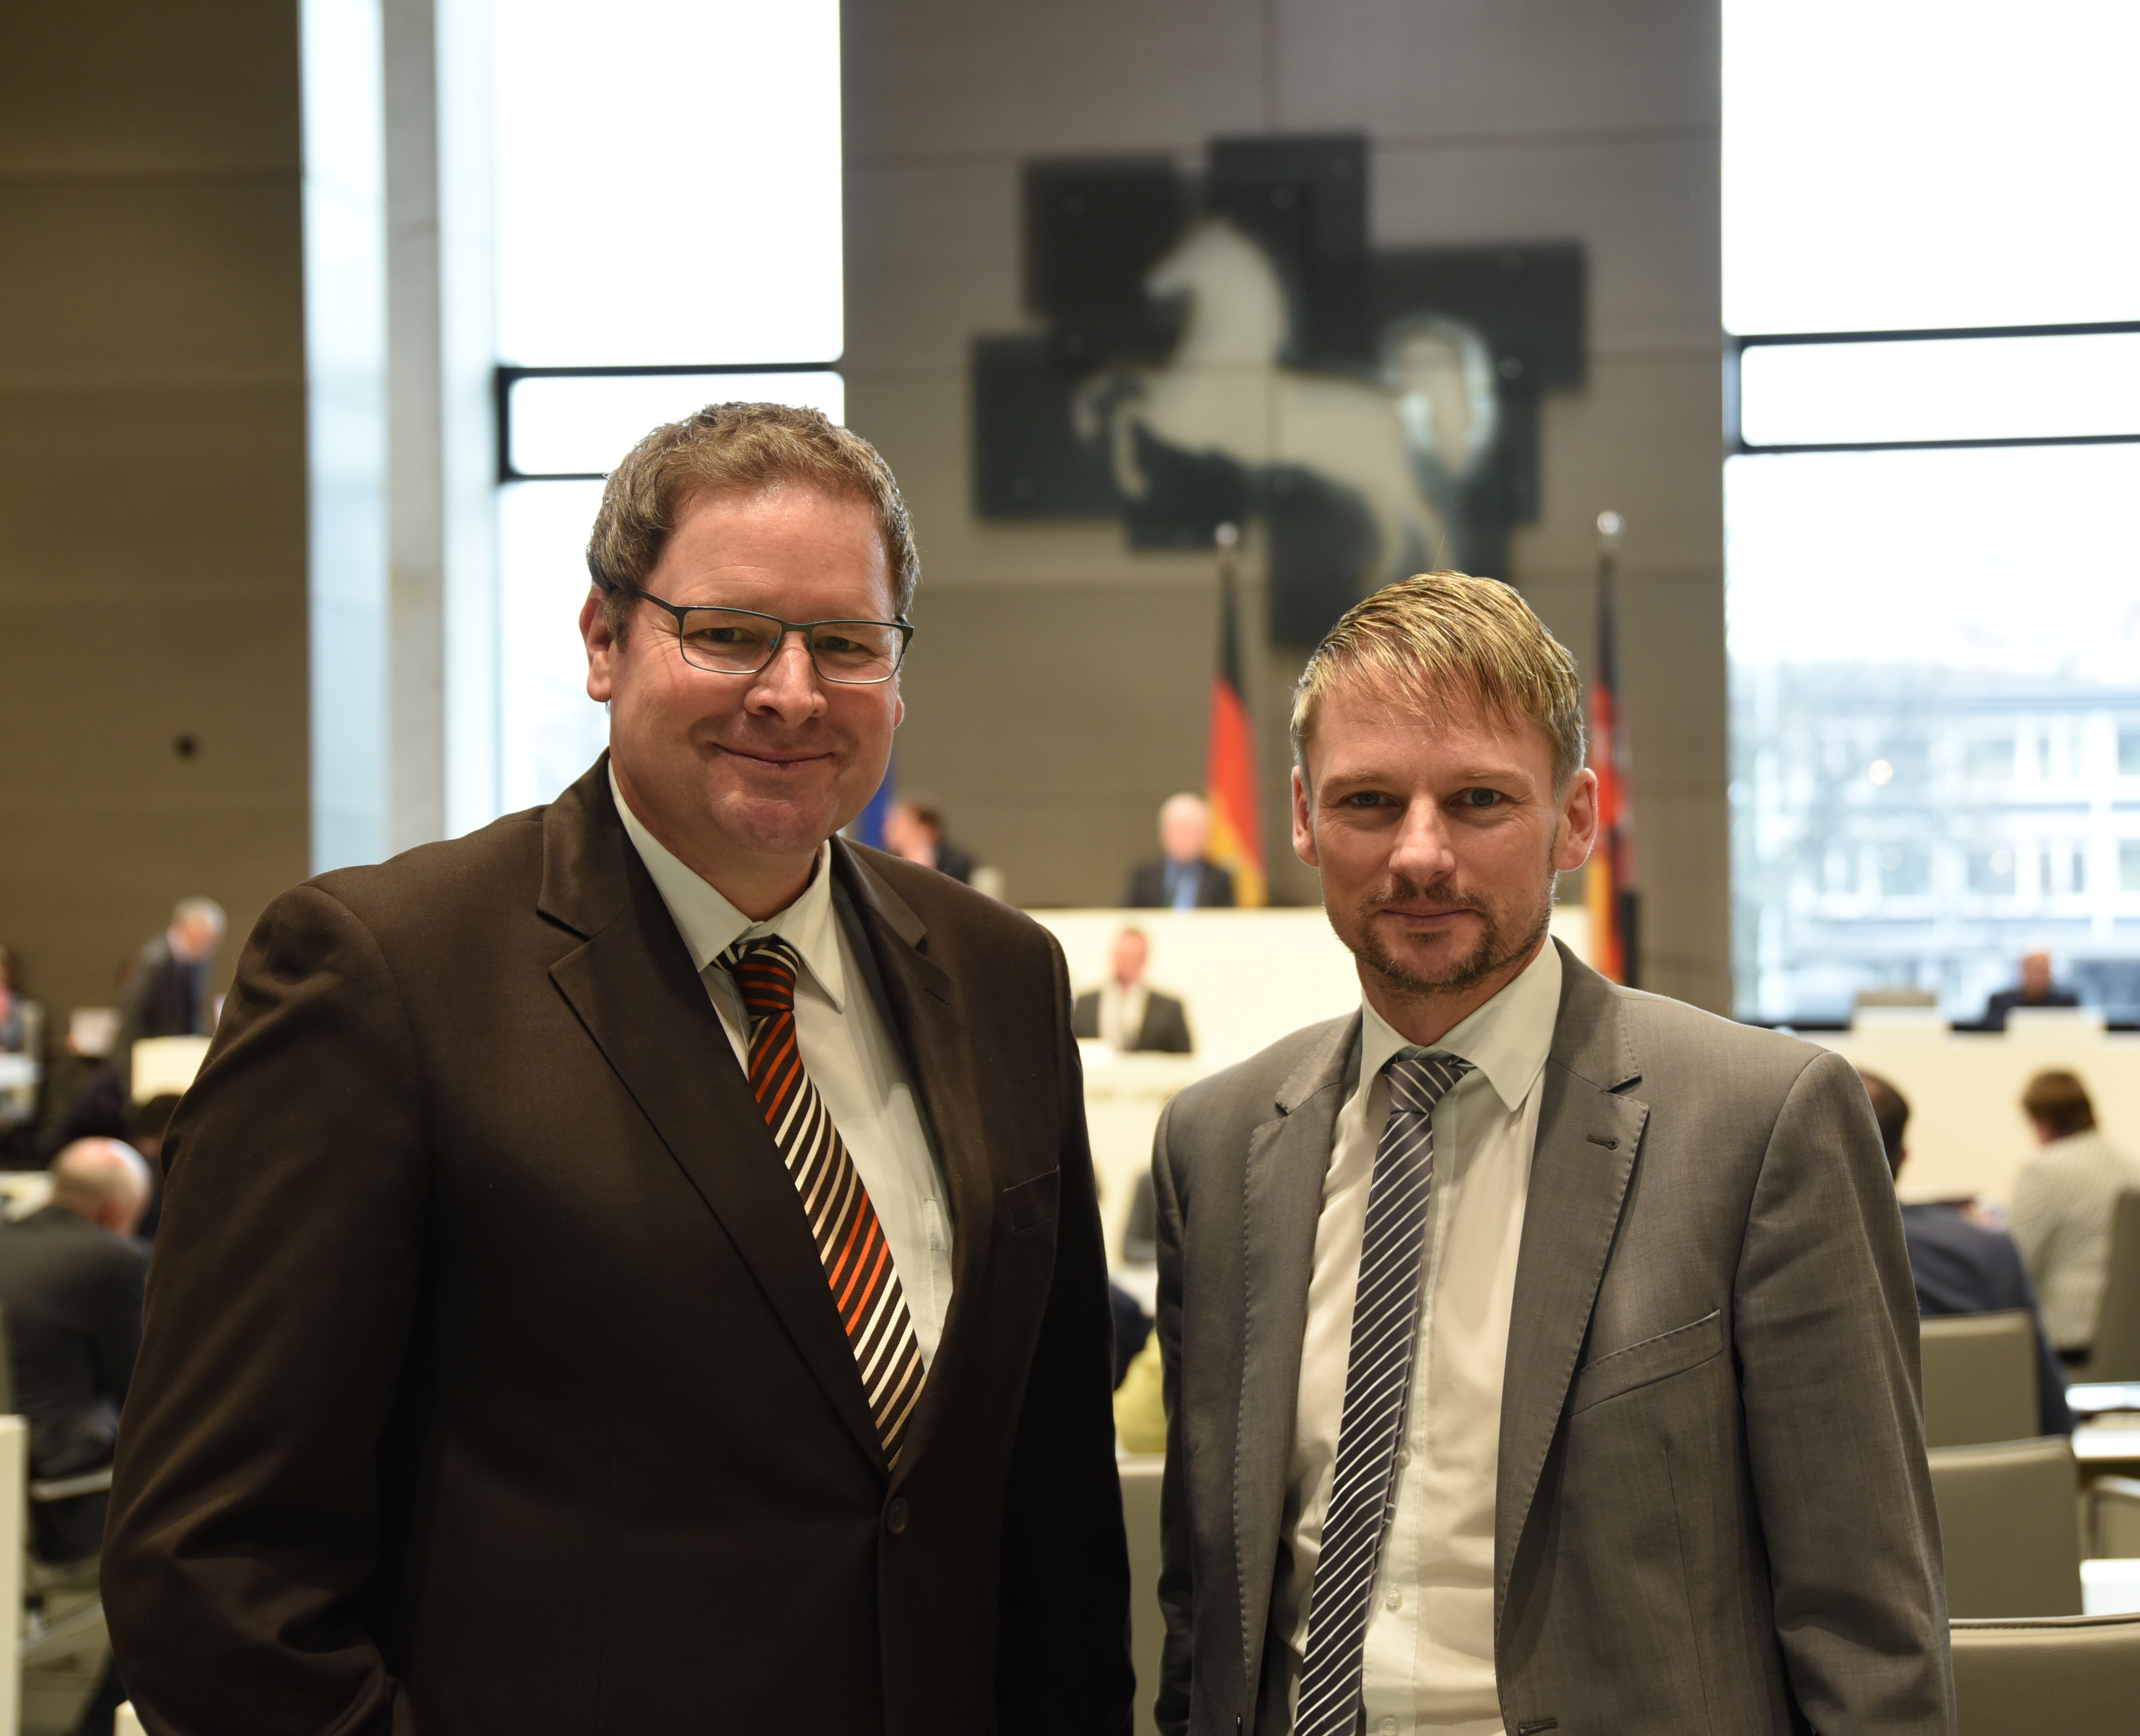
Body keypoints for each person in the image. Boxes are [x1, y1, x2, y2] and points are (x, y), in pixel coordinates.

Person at [104, 403, 1132, 1734]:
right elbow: (209, 1566)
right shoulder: (386, 975)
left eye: (845, 642)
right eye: (730, 632)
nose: (792, 692)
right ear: (604, 639)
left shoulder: (1000, 977)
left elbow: (1052, 1521)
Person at [1151, 573, 1948, 1735]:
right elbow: (1202, 1602)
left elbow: (1866, 1629)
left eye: (1478, 798)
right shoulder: (1216, 1144)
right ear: (1304, 817)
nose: (1419, 854)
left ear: (1575, 818)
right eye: (1369, 800)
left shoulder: (1761, 1125)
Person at [1861, 1070, 2071, 1435]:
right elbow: (2052, 1414)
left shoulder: (1789, 1263)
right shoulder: (1990, 1250)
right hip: (1995, 1468)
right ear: (1904, 1156)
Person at [0, 1140, 153, 1564]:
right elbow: (140, 1390)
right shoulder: (115, 1261)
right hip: (65, 1497)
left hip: (12, 1471)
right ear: (117, 1212)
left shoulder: (6, 1239)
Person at [2008, 1068, 2140, 1360]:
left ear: (2040, 1119)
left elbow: (2015, 1261)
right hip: (2128, 1341)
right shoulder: (2130, 1168)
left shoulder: (2045, 1170)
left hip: (2066, 1338)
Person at [112, 898, 225, 1064]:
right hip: (153, 1053)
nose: (209, 945)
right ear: (185, 929)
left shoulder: (199, 958)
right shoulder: (154, 961)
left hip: (181, 1051)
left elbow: (195, 1009)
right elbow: (132, 1014)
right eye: (204, 937)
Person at [1072, 926, 1194, 1054]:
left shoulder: (1169, 1009)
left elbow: (1184, 1056)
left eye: (1131, 957)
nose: (1124, 963)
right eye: (1120, 956)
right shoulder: (1086, 1003)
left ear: (1144, 960)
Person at [1124, 793, 1234, 908]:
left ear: (1207, 836)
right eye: (1180, 830)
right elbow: (1124, 915)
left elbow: (1228, 918)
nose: (1186, 838)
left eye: (1193, 831)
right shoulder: (1144, 876)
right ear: (1164, 833)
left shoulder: (1220, 880)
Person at [882, 790, 977, 884]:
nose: (887, 830)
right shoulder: (885, 858)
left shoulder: (957, 863)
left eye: (899, 824)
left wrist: (926, 870)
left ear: (926, 830)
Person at [1981, 948, 2080, 1029]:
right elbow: (1989, 1034)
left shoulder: (2065, 1003)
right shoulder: (2001, 1002)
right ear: (2022, 970)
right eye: (2035, 969)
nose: (2038, 977)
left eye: (2043, 970)